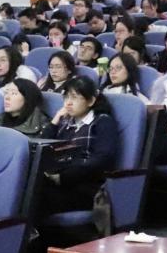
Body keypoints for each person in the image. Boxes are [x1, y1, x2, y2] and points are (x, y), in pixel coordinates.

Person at [38, 77, 119, 215]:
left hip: (86, 188)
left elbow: (102, 159)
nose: (68, 103)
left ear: (91, 101)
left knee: (36, 196)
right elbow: (42, 147)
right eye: (66, 97)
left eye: (74, 97)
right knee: (29, 188)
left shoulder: (103, 122)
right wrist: (55, 121)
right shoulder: (66, 122)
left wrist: (63, 177)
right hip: (61, 183)